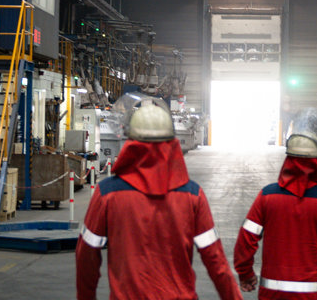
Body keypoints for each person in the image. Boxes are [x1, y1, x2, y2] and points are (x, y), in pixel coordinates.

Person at [76, 97, 242, 300]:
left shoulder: (107, 194)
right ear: (172, 143)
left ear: (129, 142)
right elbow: (216, 260)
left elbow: (86, 256)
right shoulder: (192, 196)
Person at [234, 129, 317, 299]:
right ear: (316, 164)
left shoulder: (267, 196)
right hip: (313, 294)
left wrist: (245, 274)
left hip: (272, 293)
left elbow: (245, 240)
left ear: (287, 161)